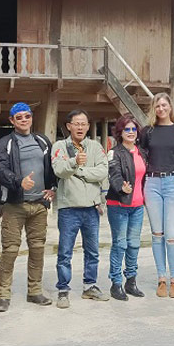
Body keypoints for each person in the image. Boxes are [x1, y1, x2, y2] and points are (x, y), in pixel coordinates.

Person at [0, 102, 56, 313]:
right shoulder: (4, 144)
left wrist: (52, 188)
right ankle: (3, 295)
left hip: (38, 204)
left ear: (31, 118)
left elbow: (51, 167)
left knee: (37, 249)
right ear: (12, 120)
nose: (24, 120)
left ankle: (35, 291)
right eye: (19, 117)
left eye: (27, 116)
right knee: (10, 250)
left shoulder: (42, 141)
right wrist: (18, 181)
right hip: (14, 205)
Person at [52, 109, 110, 308]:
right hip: (69, 208)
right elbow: (59, 170)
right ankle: (62, 289)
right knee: (65, 252)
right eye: (76, 123)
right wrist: (73, 162)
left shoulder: (94, 146)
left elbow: (103, 171)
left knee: (92, 251)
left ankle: (90, 285)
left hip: (91, 208)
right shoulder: (60, 146)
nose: (80, 127)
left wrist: (80, 170)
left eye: (84, 123)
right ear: (69, 126)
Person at [140, 93, 174, 298]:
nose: (161, 108)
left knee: (172, 236)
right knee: (157, 234)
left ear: (170, 107)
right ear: (153, 108)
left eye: (164, 105)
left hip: (172, 183)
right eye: (157, 105)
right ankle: (161, 278)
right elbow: (139, 154)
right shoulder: (148, 131)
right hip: (152, 183)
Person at [105, 113, 148, 301]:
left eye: (133, 129)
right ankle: (116, 283)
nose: (130, 132)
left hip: (138, 206)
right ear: (120, 132)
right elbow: (113, 174)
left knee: (134, 245)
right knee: (120, 244)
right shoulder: (115, 152)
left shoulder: (142, 152)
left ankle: (131, 281)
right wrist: (121, 187)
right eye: (126, 129)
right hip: (119, 204)